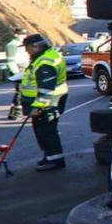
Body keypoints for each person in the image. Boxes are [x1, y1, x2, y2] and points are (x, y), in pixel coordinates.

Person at [20, 34, 69, 171]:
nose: (26, 51)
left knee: (46, 132)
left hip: (48, 103)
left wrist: (38, 107)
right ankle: (50, 157)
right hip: (50, 101)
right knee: (42, 131)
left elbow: (46, 88)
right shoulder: (47, 56)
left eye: (27, 48)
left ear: (36, 47)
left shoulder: (45, 63)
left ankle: (56, 160)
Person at [4, 28, 30, 119]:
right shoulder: (12, 45)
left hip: (24, 68)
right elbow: (11, 60)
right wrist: (16, 73)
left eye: (25, 34)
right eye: (22, 34)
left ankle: (13, 113)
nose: (24, 36)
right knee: (20, 91)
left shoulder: (21, 44)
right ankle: (17, 113)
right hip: (18, 69)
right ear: (16, 35)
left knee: (22, 90)